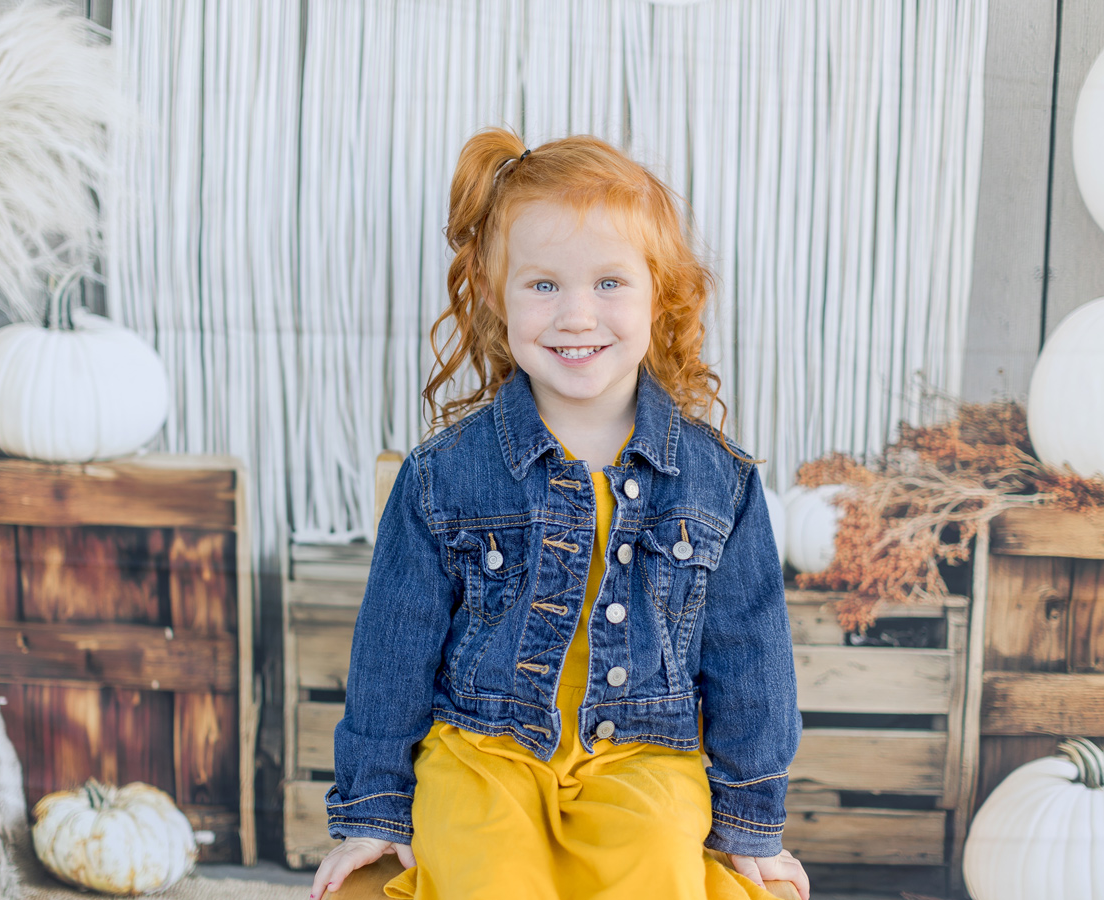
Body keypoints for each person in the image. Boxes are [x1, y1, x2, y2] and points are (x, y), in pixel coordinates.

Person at [310, 128, 807, 900]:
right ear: (495, 297)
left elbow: (750, 657)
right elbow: (394, 648)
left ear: (659, 294)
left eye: (610, 283)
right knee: (490, 876)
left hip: (644, 757)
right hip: (484, 753)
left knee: (656, 871)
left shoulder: (719, 483)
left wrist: (753, 822)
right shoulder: (441, 476)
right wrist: (372, 808)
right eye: (543, 285)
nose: (578, 315)